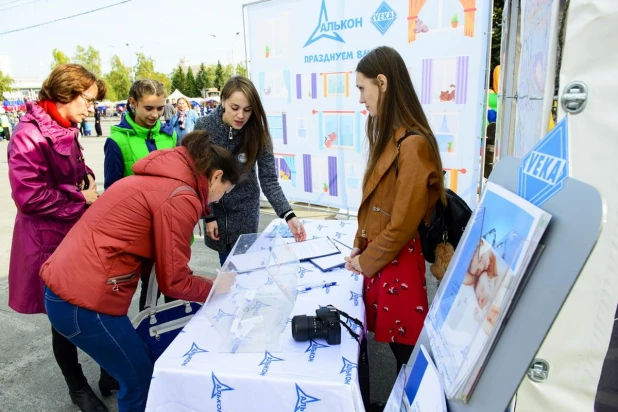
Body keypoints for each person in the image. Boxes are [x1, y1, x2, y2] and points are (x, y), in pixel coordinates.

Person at [40, 131, 242, 412]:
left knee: (135, 368)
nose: (217, 201)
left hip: (65, 291)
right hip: (84, 302)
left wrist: (195, 279)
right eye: (224, 192)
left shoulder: (159, 178)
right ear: (216, 176)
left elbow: (167, 263)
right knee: (140, 380)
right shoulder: (180, 195)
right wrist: (213, 286)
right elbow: (174, 283)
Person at [8, 64, 109, 412]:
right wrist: (80, 198)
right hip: (47, 240)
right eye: (88, 99)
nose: (91, 107)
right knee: (62, 318)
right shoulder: (28, 134)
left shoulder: (66, 126)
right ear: (67, 93)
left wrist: (88, 179)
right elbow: (29, 196)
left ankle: (108, 369)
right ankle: (77, 385)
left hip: (73, 232)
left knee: (90, 305)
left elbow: (75, 170)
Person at [344, 46, 446, 390]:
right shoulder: (392, 137)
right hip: (386, 259)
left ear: (382, 83)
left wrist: (366, 258)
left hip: (398, 261)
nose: (360, 99)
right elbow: (378, 206)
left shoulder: (412, 143)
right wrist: (360, 249)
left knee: (407, 355)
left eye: (362, 88)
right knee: (396, 349)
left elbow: (402, 223)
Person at [194, 76, 307, 265]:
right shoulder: (203, 127)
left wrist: (289, 215)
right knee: (227, 268)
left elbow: (268, 179)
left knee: (245, 267)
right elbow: (198, 175)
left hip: (245, 211)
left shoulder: (258, 132)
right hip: (215, 210)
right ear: (223, 101)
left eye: (247, 110)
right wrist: (208, 215)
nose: (241, 116)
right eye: (234, 108)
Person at [104, 79, 177, 311]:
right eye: (148, 108)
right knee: (150, 288)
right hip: (140, 230)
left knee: (176, 283)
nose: (155, 114)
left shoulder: (169, 136)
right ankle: (149, 338)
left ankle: (175, 336)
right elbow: (112, 192)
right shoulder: (116, 141)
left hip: (172, 226)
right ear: (133, 103)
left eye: (159, 108)